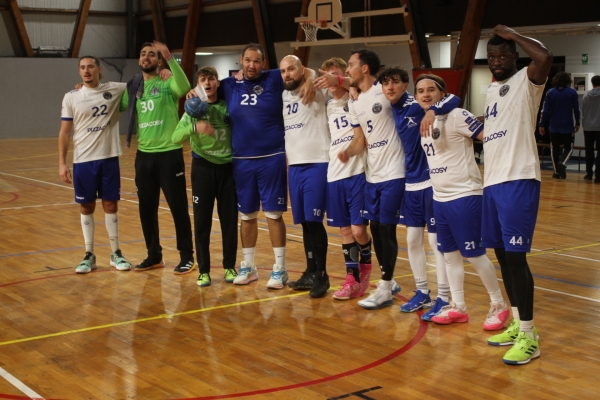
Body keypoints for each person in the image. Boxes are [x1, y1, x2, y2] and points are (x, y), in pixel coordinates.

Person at [415, 74, 510, 330]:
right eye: (420, 90)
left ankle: (499, 304)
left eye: (431, 90)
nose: (425, 94)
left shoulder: (457, 115)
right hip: (440, 197)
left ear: (442, 93)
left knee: (474, 255)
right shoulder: (424, 121)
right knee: (449, 256)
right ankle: (458, 307)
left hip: (465, 195)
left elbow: (488, 137)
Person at [481, 25, 552, 365]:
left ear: (514, 57)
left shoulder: (528, 79)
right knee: (502, 256)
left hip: (519, 179)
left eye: (503, 55)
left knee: (516, 258)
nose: (496, 61)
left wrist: (511, 33)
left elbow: (544, 56)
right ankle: (515, 320)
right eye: (492, 57)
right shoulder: (492, 90)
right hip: (492, 183)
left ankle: (529, 335)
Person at [218, 43, 314, 288]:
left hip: (272, 157)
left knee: (273, 214)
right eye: (248, 60)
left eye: (257, 61)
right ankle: (248, 266)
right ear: (241, 60)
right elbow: (202, 90)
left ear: (264, 63)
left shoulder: (275, 78)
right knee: (247, 215)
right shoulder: (228, 85)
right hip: (241, 161)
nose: (252, 65)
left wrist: (312, 79)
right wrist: (190, 94)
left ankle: (279, 269)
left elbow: (306, 71)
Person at [378, 66, 459, 321]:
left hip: (431, 183)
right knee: (412, 241)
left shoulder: (417, 105)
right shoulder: (391, 107)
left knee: (436, 244)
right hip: (410, 185)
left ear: (405, 85)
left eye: (395, 82)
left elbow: (453, 98)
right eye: (385, 83)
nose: (390, 87)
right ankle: (422, 291)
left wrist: (433, 109)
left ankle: (444, 296)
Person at [338, 49, 404, 310]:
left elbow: (415, 104)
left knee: (386, 229)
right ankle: (389, 280)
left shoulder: (386, 91)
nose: (347, 70)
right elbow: (360, 141)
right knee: (375, 229)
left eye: (351, 65)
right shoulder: (354, 102)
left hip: (395, 172)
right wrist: (348, 152)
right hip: (372, 174)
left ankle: (386, 287)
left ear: (364, 68)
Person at [122, 41, 195, 274]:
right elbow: (116, 103)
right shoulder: (134, 86)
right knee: (146, 208)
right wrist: (85, 88)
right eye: (143, 54)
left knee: (178, 207)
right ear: (139, 60)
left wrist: (171, 60)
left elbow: (184, 88)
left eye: (151, 54)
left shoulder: (167, 80)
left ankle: (187, 256)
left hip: (169, 155)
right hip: (144, 157)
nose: (146, 57)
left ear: (158, 60)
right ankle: (154, 255)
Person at [58, 56, 131, 274]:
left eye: (90, 67)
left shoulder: (116, 89)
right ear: (79, 72)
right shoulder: (71, 97)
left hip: (108, 157)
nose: (86, 71)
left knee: (110, 205)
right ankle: (89, 254)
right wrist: (61, 162)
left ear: (99, 69)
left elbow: (143, 80)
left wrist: (165, 70)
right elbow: (64, 132)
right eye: (82, 68)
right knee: (87, 206)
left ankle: (115, 252)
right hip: (82, 160)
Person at [172, 67, 238, 287]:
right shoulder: (194, 108)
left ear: (217, 83)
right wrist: (195, 126)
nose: (207, 82)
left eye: (211, 79)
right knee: (202, 222)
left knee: (229, 221)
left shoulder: (228, 104)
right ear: (198, 85)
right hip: (202, 170)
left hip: (227, 169)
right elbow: (175, 137)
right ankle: (204, 270)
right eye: (203, 79)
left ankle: (230, 266)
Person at [316, 57, 373, 300]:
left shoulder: (357, 96)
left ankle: (367, 265)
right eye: (326, 75)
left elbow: (364, 83)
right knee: (345, 232)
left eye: (335, 75)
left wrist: (342, 80)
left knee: (360, 231)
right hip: (334, 175)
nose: (329, 80)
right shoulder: (327, 104)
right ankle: (351, 279)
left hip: (357, 172)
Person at [279, 55, 331, 297]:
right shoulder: (283, 95)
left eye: (292, 69)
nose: (287, 74)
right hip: (295, 167)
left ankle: (322, 275)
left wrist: (311, 78)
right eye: (283, 71)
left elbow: (320, 74)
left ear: (302, 70)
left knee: (314, 221)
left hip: (318, 163)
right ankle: (310, 271)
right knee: (305, 224)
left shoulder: (319, 89)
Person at [538, 72, 580, 179]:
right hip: (567, 124)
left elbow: (545, 110)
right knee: (569, 147)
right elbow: (576, 109)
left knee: (554, 148)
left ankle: (556, 171)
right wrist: (578, 122)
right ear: (568, 81)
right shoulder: (572, 92)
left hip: (554, 125)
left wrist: (542, 124)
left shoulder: (550, 92)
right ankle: (563, 163)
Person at [582, 75, 600, 182]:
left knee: (589, 151)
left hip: (588, 127)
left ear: (592, 83)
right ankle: (598, 175)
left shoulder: (586, 96)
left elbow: (583, 111)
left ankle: (589, 173)